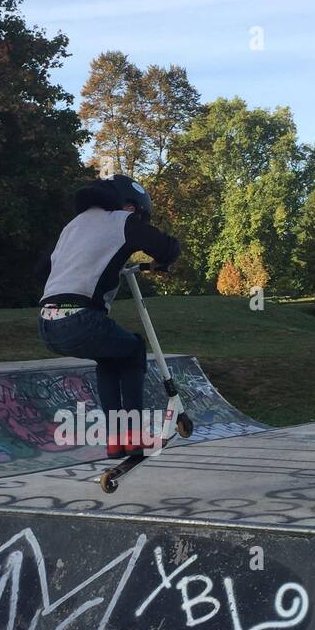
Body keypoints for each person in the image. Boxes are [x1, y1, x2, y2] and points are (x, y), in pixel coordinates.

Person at [37, 174, 183, 456]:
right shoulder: (121, 220)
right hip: (81, 320)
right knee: (134, 350)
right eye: (141, 216)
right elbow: (168, 247)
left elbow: (42, 271)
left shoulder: (71, 227)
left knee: (109, 357)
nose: (140, 221)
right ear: (131, 207)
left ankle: (116, 440)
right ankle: (133, 436)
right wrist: (161, 263)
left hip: (47, 322)